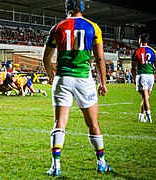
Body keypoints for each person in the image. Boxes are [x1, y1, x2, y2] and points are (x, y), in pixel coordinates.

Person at [42, 0, 112, 177]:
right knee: (93, 124)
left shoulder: (57, 27)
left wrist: (51, 76)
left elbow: (46, 58)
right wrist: (102, 83)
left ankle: (55, 166)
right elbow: (100, 59)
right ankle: (101, 163)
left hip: (63, 79)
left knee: (59, 123)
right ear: (82, 8)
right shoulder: (93, 27)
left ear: (67, 9)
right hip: (84, 80)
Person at [131, 33, 156, 123]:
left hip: (142, 75)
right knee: (146, 97)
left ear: (140, 40)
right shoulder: (153, 51)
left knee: (145, 97)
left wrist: (133, 77)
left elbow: (133, 67)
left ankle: (149, 118)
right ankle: (141, 116)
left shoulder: (136, 51)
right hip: (151, 76)